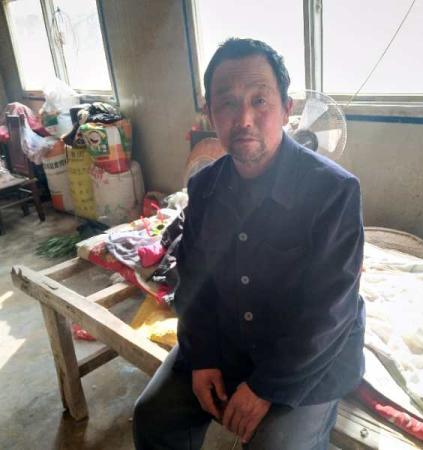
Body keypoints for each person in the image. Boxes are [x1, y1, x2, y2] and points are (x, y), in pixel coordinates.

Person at [133, 38, 365, 450]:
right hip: (226, 338)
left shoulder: (334, 192)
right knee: (152, 417)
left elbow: (330, 311)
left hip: (304, 355)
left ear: (287, 108)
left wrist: (266, 386)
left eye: (260, 100)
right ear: (209, 113)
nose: (243, 119)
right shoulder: (205, 186)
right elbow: (194, 280)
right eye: (227, 103)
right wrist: (202, 357)